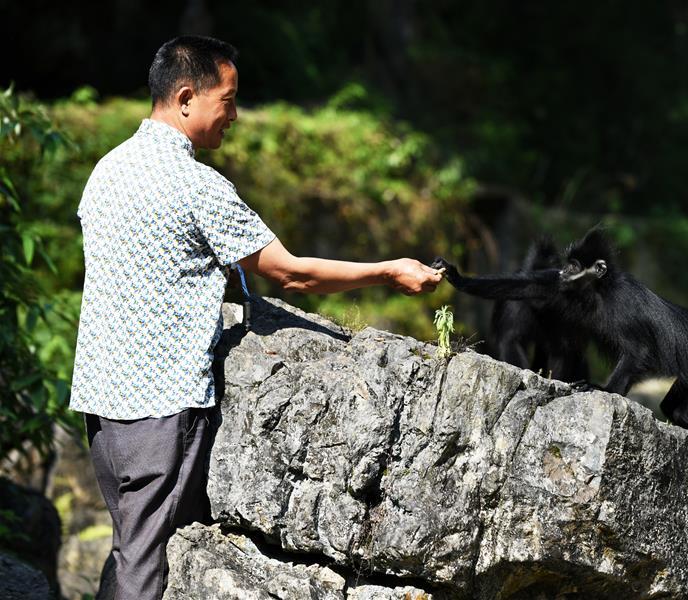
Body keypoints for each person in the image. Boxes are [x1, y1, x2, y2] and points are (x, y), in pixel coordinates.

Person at [69, 35, 443, 599]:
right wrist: (390, 271)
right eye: (230, 99)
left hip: (102, 407)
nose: (235, 116)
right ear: (188, 97)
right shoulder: (194, 184)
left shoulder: (108, 170)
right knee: (145, 566)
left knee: (131, 548)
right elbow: (292, 273)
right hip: (159, 410)